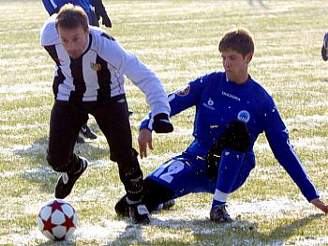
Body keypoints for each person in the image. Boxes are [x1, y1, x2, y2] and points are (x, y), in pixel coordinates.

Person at [115, 28, 328, 223]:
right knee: (126, 207)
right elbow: (171, 102)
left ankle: (219, 206)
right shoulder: (210, 82)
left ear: (248, 58)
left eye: (232, 58)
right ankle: (164, 198)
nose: (226, 63)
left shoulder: (261, 101)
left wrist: (312, 195)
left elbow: (284, 150)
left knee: (237, 132)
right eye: (223, 57)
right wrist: (147, 124)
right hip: (195, 158)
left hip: (232, 166)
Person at [40, 4, 173, 224]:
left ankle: (136, 201)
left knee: (123, 154)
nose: (70, 46)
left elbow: (145, 77)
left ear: (88, 30)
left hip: (108, 99)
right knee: (56, 158)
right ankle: (74, 167)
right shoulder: (49, 34)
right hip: (70, 96)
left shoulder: (108, 48)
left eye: (76, 38)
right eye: (65, 40)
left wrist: (160, 111)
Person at [41, 0, 112, 142]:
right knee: (68, 73)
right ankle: (72, 125)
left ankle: (107, 110)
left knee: (95, 69)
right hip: (69, 22)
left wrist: (99, 9)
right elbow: (55, 8)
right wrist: (66, 20)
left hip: (86, 17)